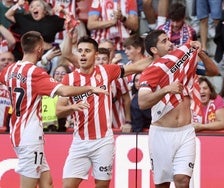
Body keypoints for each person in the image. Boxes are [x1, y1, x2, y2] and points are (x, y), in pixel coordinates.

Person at [0, 31, 108, 188]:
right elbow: (64, 91)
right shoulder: (35, 73)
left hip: (16, 132)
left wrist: (43, 60)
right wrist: (90, 88)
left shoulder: (10, 70)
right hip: (29, 137)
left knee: (47, 183)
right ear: (39, 48)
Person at [56, 33, 151, 188]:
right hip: (79, 142)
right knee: (67, 186)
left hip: (103, 142)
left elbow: (137, 66)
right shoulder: (69, 79)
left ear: (96, 54)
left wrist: (162, 56)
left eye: (87, 51)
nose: (83, 54)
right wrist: (72, 107)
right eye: (80, 51)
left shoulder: (106, 71)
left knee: (102, 186)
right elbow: (58, 111)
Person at [138, 29, 200, 188]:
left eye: (169, 40)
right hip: (161, 134)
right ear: (154, 50)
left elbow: (214, 71)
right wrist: (166, 89)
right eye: (164, 41)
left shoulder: (183, 64)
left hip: (186, 131)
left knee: (183, 180)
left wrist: (198, 50)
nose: (170, 43)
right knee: (162, 184)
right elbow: (143, 102)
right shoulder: (150, 71)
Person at [98, 39, 132, 132]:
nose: (101, 62)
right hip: (97, 123)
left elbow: (127, 98)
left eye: (104, 59)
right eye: (98, 59)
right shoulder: (89, 77)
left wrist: (128, 121)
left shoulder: (118, 74)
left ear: (109, 60)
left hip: (117, 122)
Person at [42, 64, 73, 132]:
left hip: (62, 127)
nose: (59, 75)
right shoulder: (46, 91)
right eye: (57, 73)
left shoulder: (71, 91)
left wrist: (68, 122)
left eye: (63, 73)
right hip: (43, 128)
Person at [0, 51, 14, 132]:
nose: (6, 62)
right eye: (3, 60)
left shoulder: (19, 82)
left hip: (9, 130)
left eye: (9, 59)